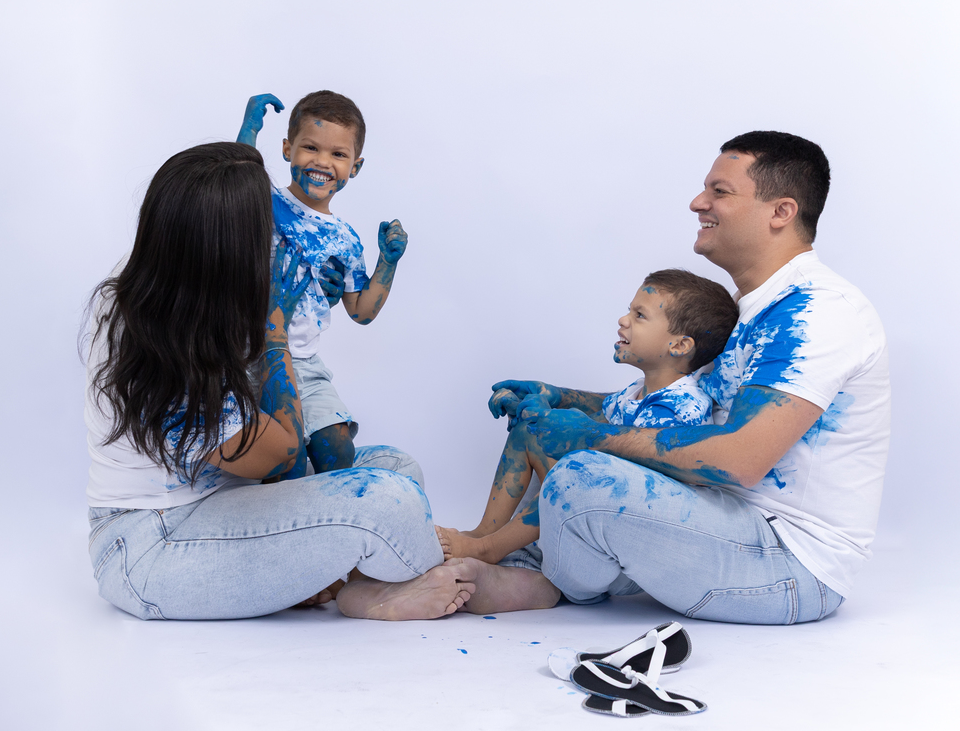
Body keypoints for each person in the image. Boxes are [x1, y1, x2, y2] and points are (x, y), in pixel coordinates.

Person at [479, 131, 890, 624]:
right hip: (721, 522)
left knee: (581, 473)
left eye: (721, 192)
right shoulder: (755, 310)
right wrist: (560, 398)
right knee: (554, 426)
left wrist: (587, 437)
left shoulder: (818, 311)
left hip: (790, 565)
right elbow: (672, 402)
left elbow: (740, 460)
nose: (699, 203)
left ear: (780, 212)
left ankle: (539, 578)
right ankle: (504, 561)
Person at [83, 141, 477, 621]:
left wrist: (314, 299)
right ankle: (438, 574)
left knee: (396, 468)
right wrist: (274, 333)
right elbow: (283, 450)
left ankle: (337, 581)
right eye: (267, 233)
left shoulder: (170, 284)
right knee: (387, 499)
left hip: (225, 496)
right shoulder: (165, 340)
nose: (278, 238)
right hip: (154, 545)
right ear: (227, 251)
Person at [435, 269, 737, 565]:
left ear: (679, 345)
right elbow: (597, 418)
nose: (623, 320)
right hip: (610, 505)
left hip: (635, 529)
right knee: (530, 431)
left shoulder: (680, 407)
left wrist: (555, 422)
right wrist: (538, 407)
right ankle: (485, 532)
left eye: (640, 316)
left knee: (574, 474)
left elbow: (621, 470)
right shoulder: (640, 391)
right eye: (628, 312)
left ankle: (489, 548)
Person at [235, 91, 408, 477]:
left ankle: (321, 512)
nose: (322, 162)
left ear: (355, 167)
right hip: (243, 356)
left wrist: (388, 262)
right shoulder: (265, 200)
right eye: (310, 148)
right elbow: (234, 177)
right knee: (280, 460)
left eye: (338, 155)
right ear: (286, 149)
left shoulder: (345, 240)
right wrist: (249, 127)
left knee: (338, 451)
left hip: (304, 364)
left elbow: (361, 311)